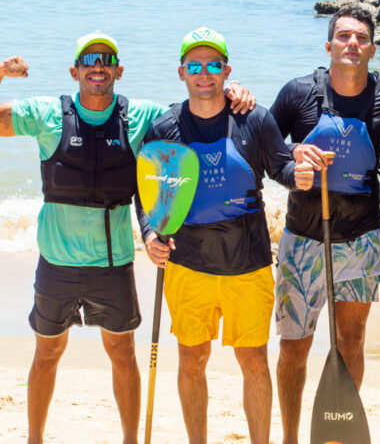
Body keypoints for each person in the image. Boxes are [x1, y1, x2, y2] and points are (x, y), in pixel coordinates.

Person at [0, 34, 253, 444]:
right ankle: (33, 439)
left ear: (119, 70)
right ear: (74, 70)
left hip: (113, 264)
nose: (97, 66)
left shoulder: (141, 117)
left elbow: (196, 112)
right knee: (46, 353)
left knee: (122, 354)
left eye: (107, 59)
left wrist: (235, 91)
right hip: (56, 265)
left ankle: (131, 440)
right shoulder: (47, 114)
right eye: (88, 59)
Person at [269, 4, 380, 444]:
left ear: (373, 49)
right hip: (303, 239)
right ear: (328, 45)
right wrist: (291, 164)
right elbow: (262, 144)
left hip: (361, 241)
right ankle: (289, 436)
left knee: (351, 340)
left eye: (360, 38)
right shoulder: (299, 93)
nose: (352, 44)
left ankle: (336, 431)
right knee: (294, 346)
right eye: (343, 36)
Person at [140, 27, 307, 444]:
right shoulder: (164, 127)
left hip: (247, 264)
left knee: (253, 360)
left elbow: (281, 168)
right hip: (187, 264)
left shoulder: (253, 118)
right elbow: (144, 191)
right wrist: (148, 234)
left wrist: (299, 175)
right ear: (181, 72)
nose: (204, 73)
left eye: (213, 64)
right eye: (194, 65)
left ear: (227, 70)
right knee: (192, 358)